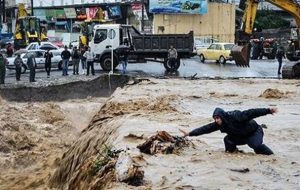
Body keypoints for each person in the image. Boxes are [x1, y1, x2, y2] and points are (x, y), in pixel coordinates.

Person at [180, 107, 278, 155]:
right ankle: (233, 153)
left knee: (255, 145)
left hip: (254, 132)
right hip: (240, 136)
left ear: (222, 116)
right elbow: (206, 128)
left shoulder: (236, 116)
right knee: (228, 140)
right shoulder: (219, 124)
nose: (216, 120)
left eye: (218, 118)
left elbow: (252, 113)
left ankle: (271, 156)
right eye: (215, 118)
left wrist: (268, 110)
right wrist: (190, 133)